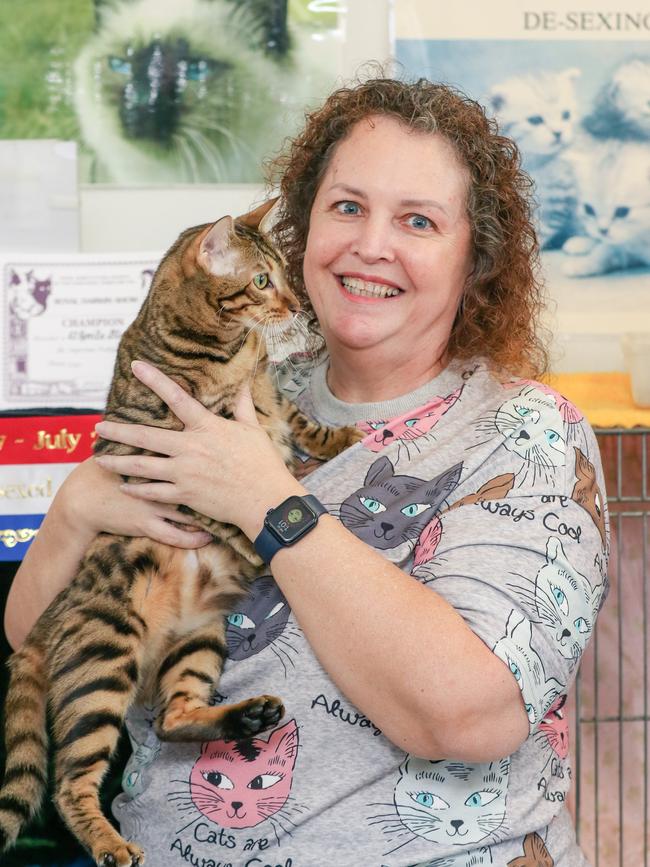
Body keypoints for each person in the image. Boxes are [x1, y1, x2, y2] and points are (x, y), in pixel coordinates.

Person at [5, 77, 608, 866]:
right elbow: (40, 640)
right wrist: (77, 509)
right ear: (302, 228)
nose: (370, 245)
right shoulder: (232, 380)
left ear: (476, 261)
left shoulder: (525, 434)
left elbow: (467, 717)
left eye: (418, 221)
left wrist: (267, 497)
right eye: (347, 207)